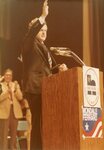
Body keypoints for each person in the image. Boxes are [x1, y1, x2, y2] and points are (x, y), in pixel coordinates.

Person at [22, 0, 68, 150]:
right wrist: (43, 16)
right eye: (41, 29)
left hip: (47, 90)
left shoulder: (44, 48)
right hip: (36, 89)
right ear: (34, 30)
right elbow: (31, 34)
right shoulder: (29, 44)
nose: (44, 32)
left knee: (46, 123)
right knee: (38, 124)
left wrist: (59, 69)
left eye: (46, 30)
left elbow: (49, 69)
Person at [0, 68, 23, 150]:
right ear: (4, 76)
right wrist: (7, 92)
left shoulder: (15, 85)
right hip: (4, 112)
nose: (8, 76)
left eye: (10, 75)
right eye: (7, 75)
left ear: (12, 76)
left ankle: (13, 148)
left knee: (14, 134)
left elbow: (20, 97)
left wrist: (15, 90)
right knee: (3, 135)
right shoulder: (0, 85)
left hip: (14, 112)